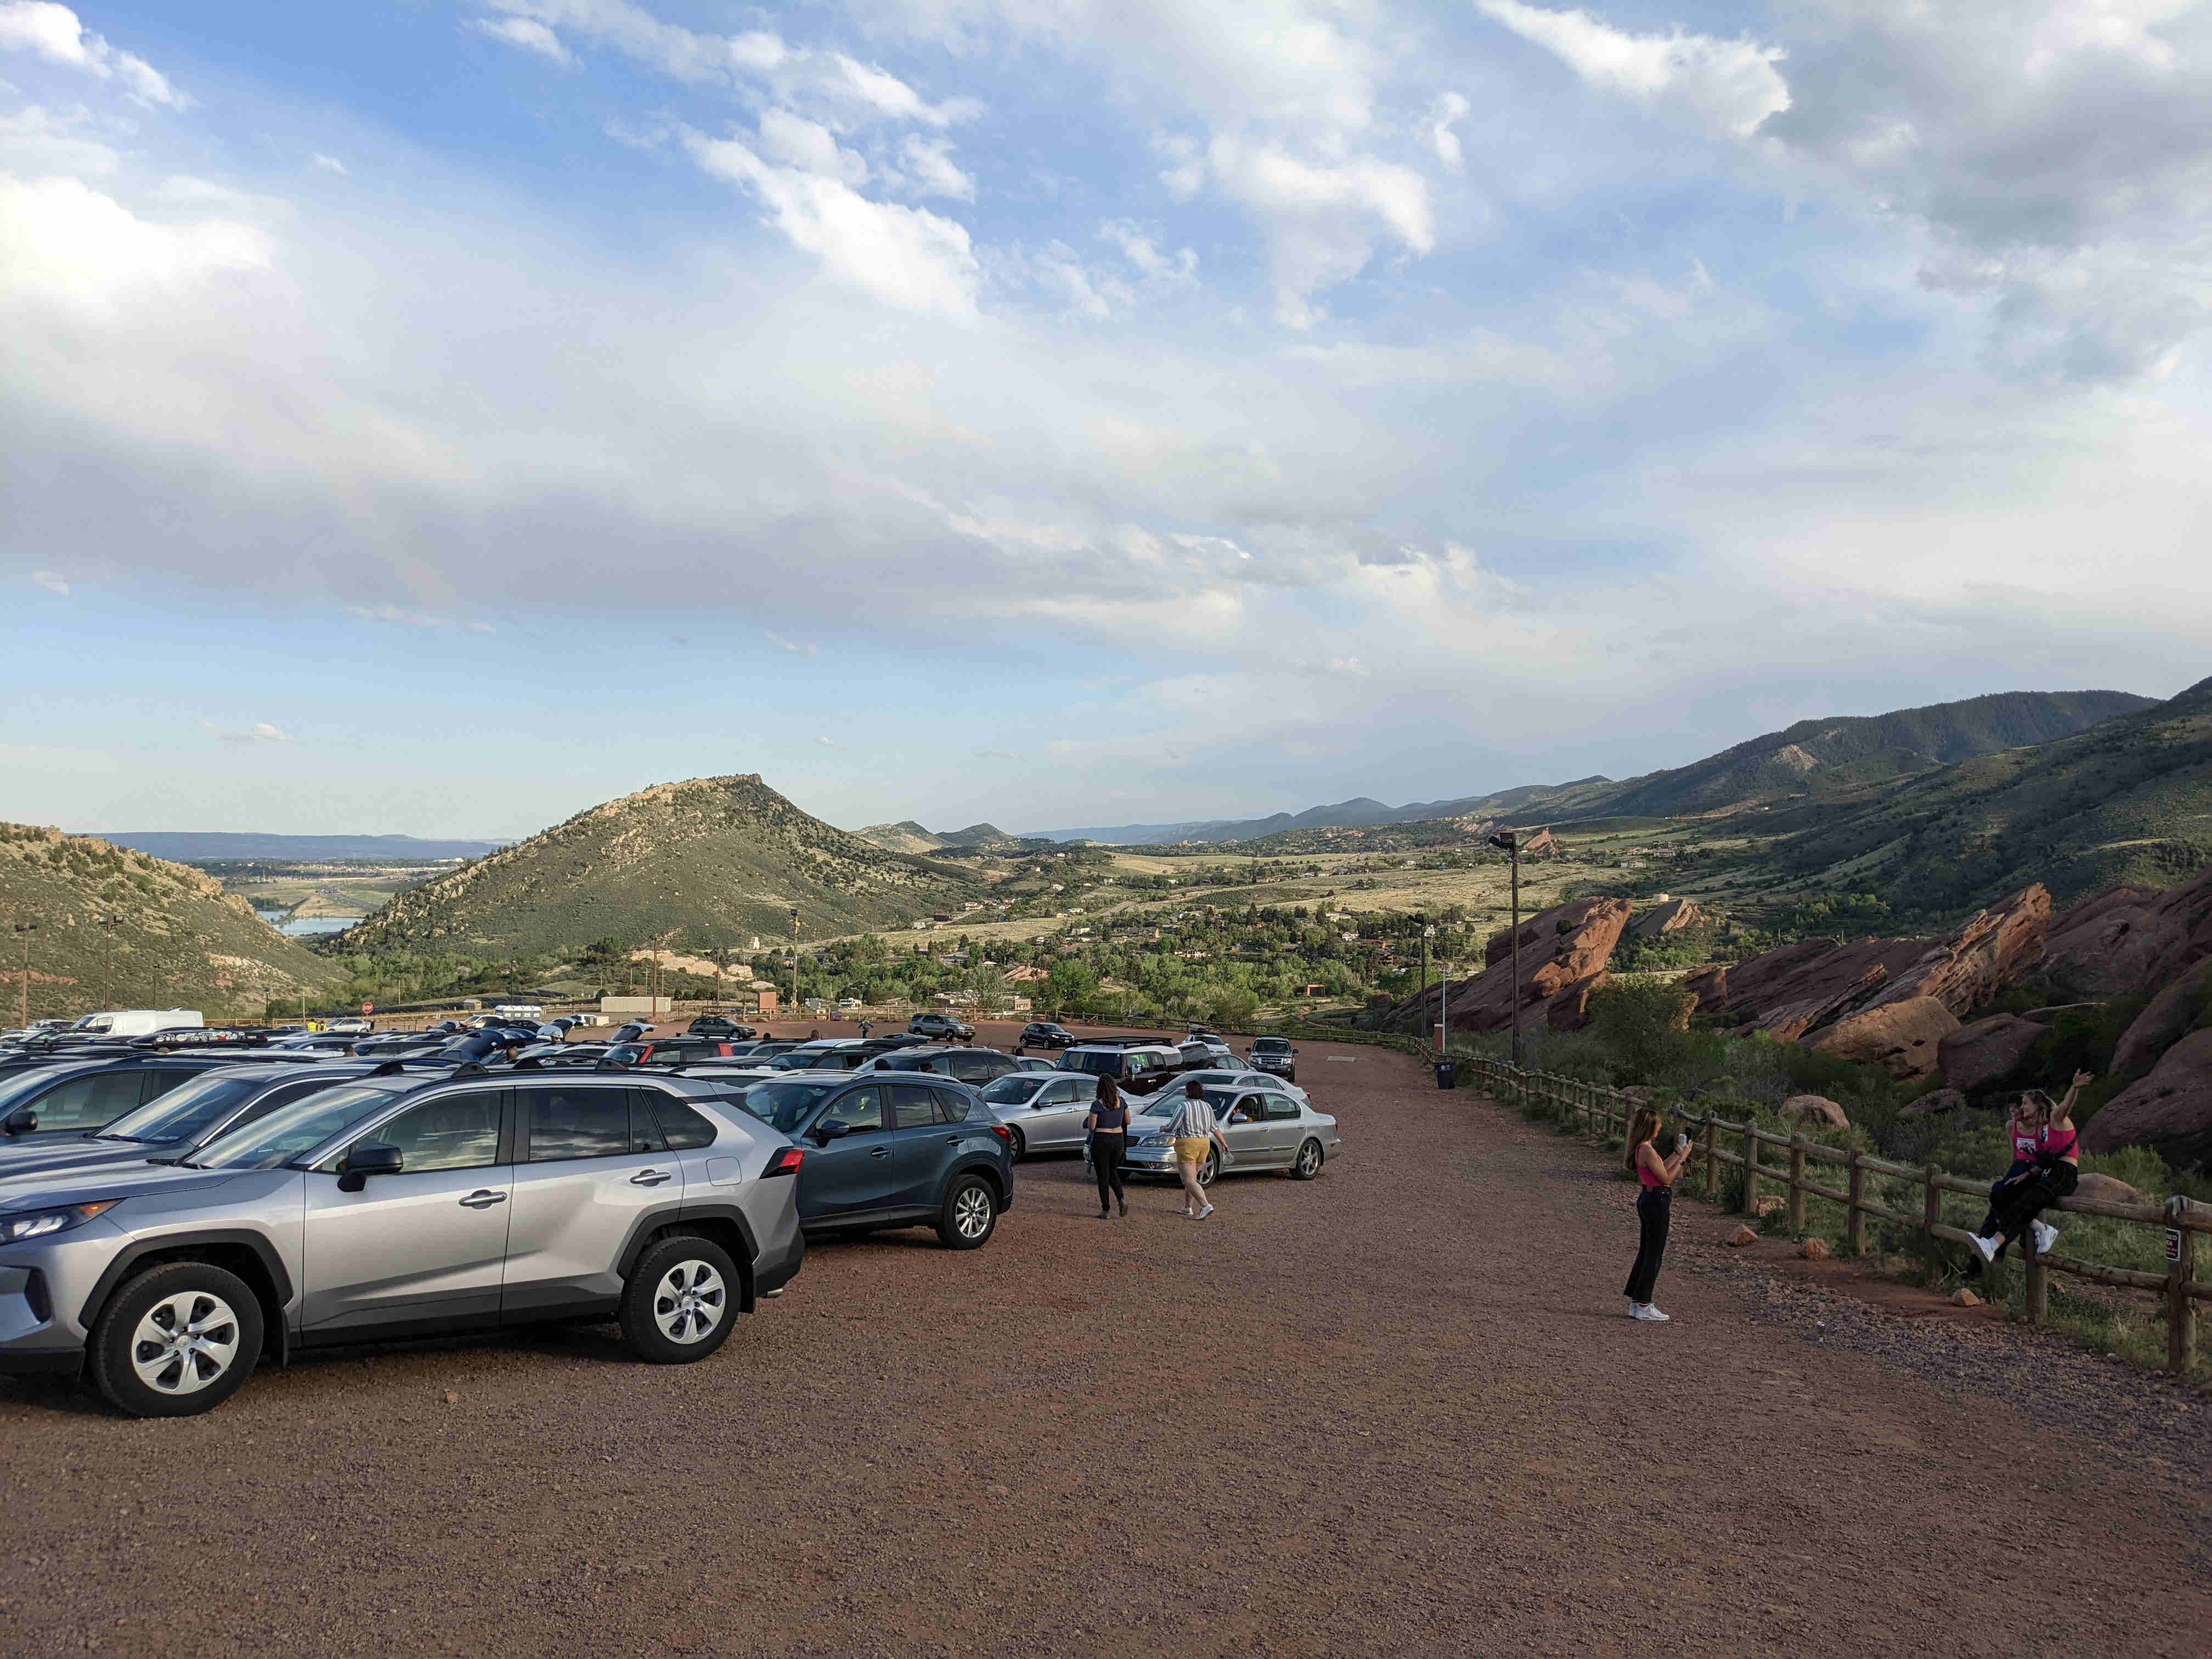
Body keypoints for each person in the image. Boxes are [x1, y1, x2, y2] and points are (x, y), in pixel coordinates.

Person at [1967, 1071, 2091, 1266]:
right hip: (2049, 1174)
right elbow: (2043, 1163)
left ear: (2038, 1105)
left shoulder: (2057, 1119)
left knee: (2026, 1203)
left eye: (2025, 1103)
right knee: (2006, 1194)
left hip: (2064, 1175)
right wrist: (2026, 1175)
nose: (2022, 1107)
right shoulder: (2045, 1129)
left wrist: (2074, 1088)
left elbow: (2066, 1107)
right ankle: (2041, 1229)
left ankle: (1993, 1245)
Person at [1624, 1107, 1692, 1322]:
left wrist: (1677, 1154)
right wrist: (1683, 1160)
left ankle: (1637, 1302)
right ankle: (1645, 1304)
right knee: (1654, 1255)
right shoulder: (1646, 1150)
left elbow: (1660, 1169)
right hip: (1657, 1202)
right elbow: (1666, 1179)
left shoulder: (1643, 1149)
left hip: (1649, 1199)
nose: (1660, 1128)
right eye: (1658, 1125)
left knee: (1646, 1252)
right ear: (1650, 1126)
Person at [1169, 1077, 1229, 1221]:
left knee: (1188, 1180)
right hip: (1204, 1144)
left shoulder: (1183, 1106)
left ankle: (1205, 1205)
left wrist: (1164, 1129)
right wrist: (1223, 1143)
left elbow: (1173, 1126)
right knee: (1193, 1178)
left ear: (1189, 1092)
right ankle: (1187, 1207)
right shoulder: (1208, 1107)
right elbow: (1214, 1128)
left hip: (1188, 1144)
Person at [1085, 1075, 1131, 1220]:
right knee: (1113, 1172)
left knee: (1103, 1176)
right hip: (1118, 1139)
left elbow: (1092, 1127)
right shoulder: (1122, 1102)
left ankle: (1106, 1210)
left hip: (1102, 1140)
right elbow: (1128, 1121)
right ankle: (1121, 1199)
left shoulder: (1097, 1105)